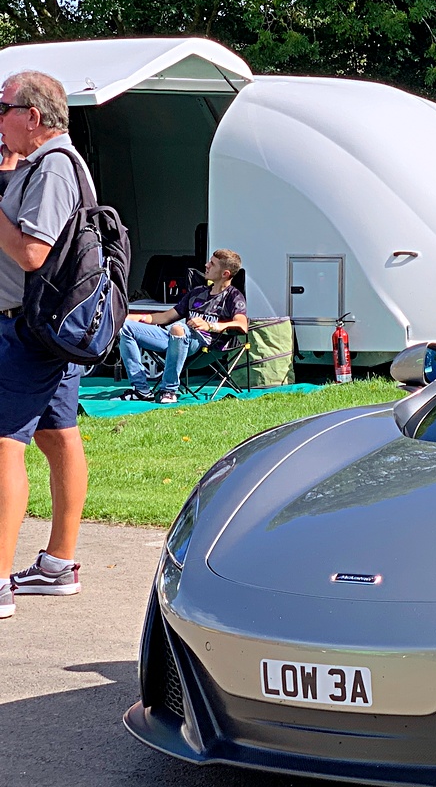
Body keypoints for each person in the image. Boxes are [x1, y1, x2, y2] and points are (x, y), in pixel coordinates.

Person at [0, 71, 95, 616]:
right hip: (51, 327)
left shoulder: (55, 168)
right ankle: (58, 564)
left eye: (3, 109)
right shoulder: (45, 163)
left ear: (32, 117)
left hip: (27, 329)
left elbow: (33, 252)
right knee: (59, 436)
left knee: (4, 443)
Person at [118, 248, 249, 403]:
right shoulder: (197, 292)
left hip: (204, 346)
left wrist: (210, 325)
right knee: (125, 327)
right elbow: (166, 317)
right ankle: (141, 389)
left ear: (225, 274)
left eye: (212, 264)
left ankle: (169, 390)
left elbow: (242, 325)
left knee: (178, 328)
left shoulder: (233, 296)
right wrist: (130, 317)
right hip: (176, 338)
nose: (206, 265)